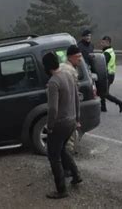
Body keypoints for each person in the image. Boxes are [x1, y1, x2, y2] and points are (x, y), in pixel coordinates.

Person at [42, 52, 82, 199]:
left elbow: (53, 109)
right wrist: (77, 117)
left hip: (60, 124)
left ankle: (61, 190)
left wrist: (50, 126)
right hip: (71, 121)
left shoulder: (53, 82)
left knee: (53, 156)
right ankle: (76, 175)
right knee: (63, 150)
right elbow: (77, 99)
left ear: (46, 66)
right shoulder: (68, 75)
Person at [100, 36, 122, 113]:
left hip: (108, 75)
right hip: (111, 74)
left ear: (108, 42)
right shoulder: (110, 50)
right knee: (102, 91)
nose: (101, 44)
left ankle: (120, 103)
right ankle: (103, 107)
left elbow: (102, 64)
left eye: (103, 42)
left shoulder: (107, 53)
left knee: (105, 93)